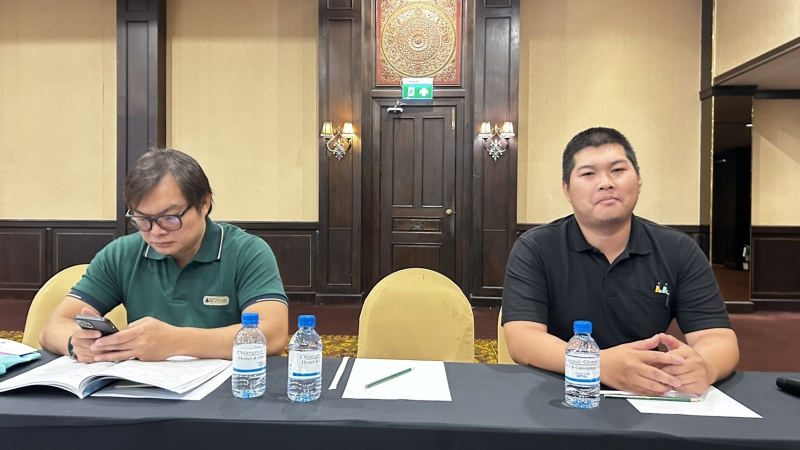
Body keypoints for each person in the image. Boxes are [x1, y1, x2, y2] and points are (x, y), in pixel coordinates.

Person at [502, 127, 739, 396]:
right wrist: (597, 363)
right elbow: (523, 338)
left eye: (618, 170)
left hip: (645, 392)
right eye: (588, 174)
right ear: (566, 189)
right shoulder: (536, 247)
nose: (606, 183)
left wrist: (704, 366)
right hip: (559, 391)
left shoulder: (678, 250)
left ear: (638, 179)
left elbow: (716, 337)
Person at [40, 148, 289, 363]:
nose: (156, 232)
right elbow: (53, 327)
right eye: (142, 219)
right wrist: (75, 343)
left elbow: (273, 335)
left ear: (204, 203)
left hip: (227, 392)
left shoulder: (246, 252)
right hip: (143, 391)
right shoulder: (122, 254)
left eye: (169, 218)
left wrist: (177, 341)